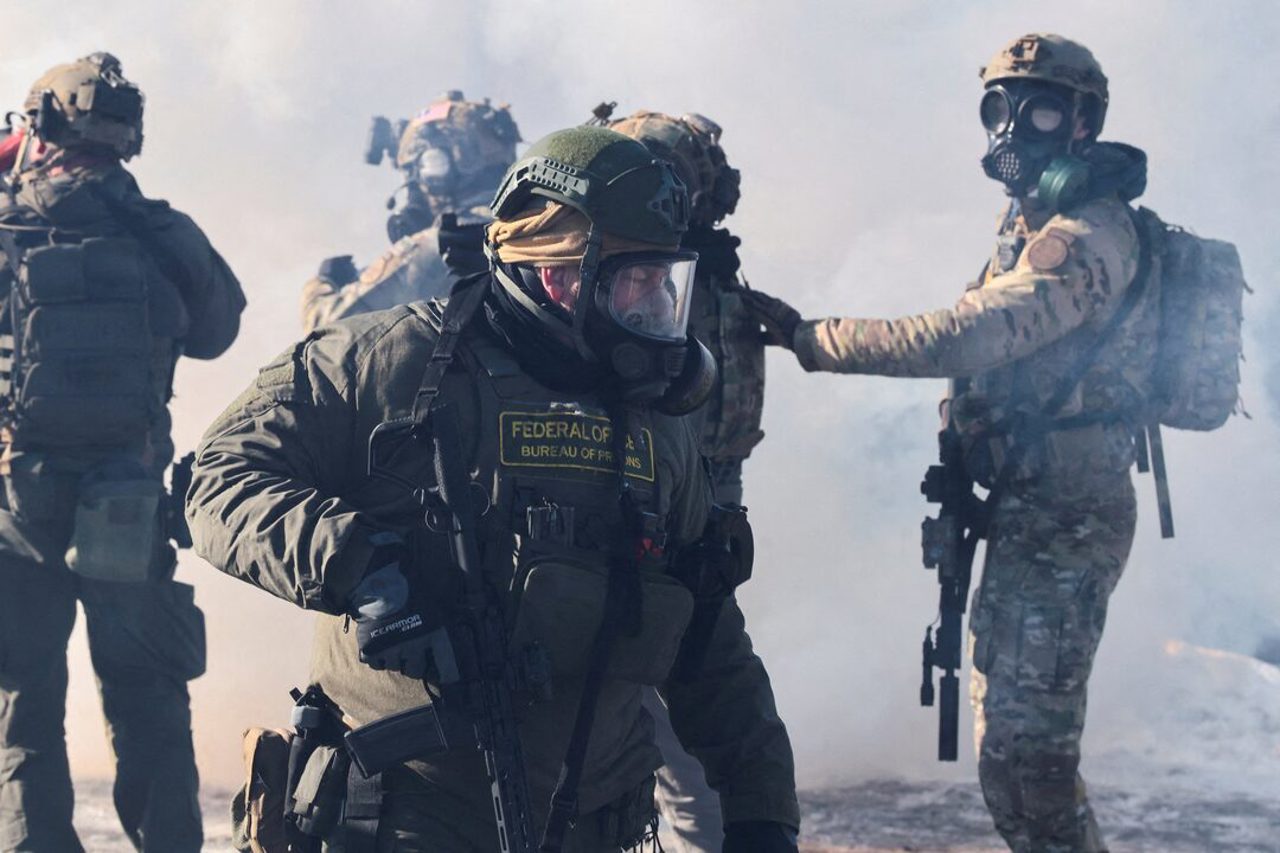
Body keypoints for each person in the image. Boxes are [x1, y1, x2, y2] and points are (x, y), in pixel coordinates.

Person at [188, 125, 798, 852]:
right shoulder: (386, 362)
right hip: (399, 822)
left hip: (595, 828)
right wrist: (360, 568)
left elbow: (709, 634)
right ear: (557, 269)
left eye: (665, 281)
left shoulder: (654, 422)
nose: (656, 303)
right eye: (636, 279)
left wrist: (763, 816)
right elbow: (219, 478)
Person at [743, 33, 1154, 853]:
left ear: (1084, 123)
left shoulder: (1088, 236)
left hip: (1067, 522)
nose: (1013, 129)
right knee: (1012, 766)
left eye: (1040, 110)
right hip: (1030, 514)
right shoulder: (1031, 223)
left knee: (1032, 767)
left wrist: (811, 337)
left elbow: (972, 336)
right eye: (1000, 107)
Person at [0, 52, 246, 852]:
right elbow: (216, 330)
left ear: (40, 127)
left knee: (22, 705)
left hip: (15, 506)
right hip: (127, 505)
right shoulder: (162, 234)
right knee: (148, 699)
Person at [607, 108, 759, 852]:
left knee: (677, 709)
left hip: (680, 517)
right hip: (654, 512)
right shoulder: (674, 279)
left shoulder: (684, 279)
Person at [300, 90, 520, 334]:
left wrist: (323, 284)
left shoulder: (442, 244)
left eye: (412, 173)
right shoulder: (529, 224)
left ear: (435, 170)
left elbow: (325, 327)